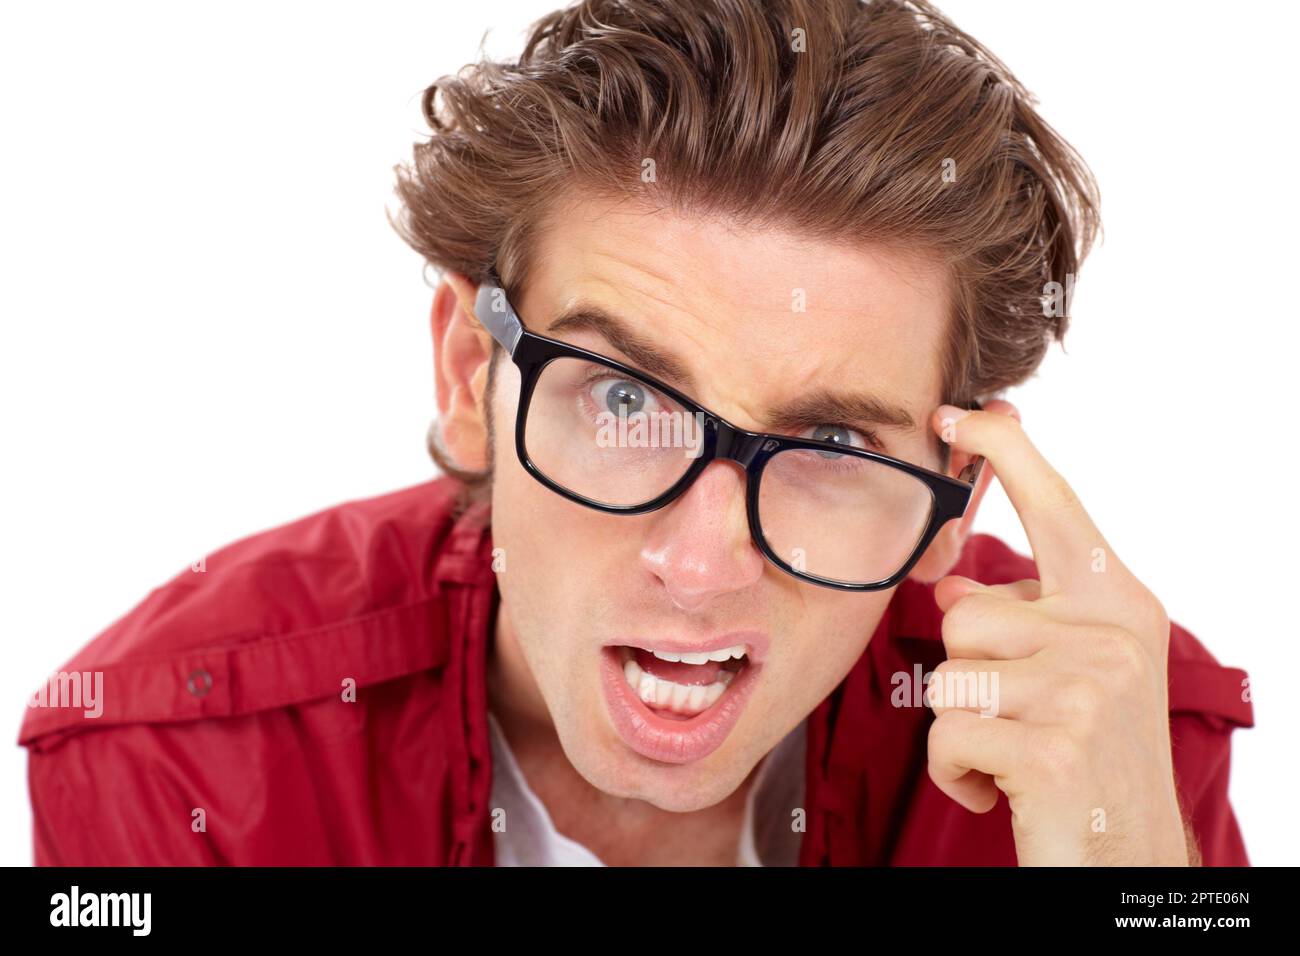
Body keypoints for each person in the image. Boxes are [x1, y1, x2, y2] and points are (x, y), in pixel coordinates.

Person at [20, 0, 1252, 866]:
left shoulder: (1116, 731)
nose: (700, 562)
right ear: (469, 376)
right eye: (624, 400)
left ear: (955, 497)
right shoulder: (173, 755)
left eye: (832, 445)